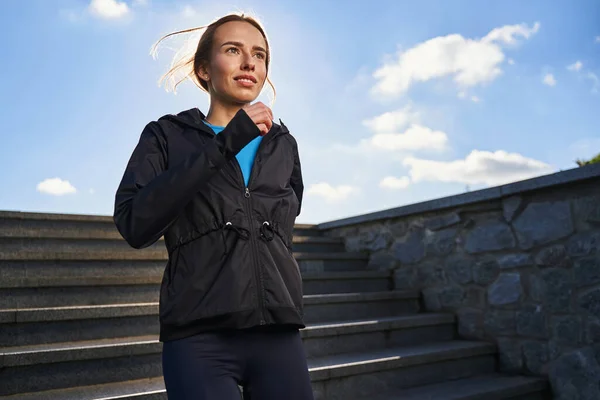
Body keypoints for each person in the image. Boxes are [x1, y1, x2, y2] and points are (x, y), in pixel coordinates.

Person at [113, 12, 313, 400]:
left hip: (278, 335)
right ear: (204, 70)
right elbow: (135, 224)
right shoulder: (166, 136)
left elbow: (285, 219)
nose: (249, 62)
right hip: (198, 339)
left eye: (259, 54)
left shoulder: (283, 143)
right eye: (233, 50)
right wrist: (226, 143)